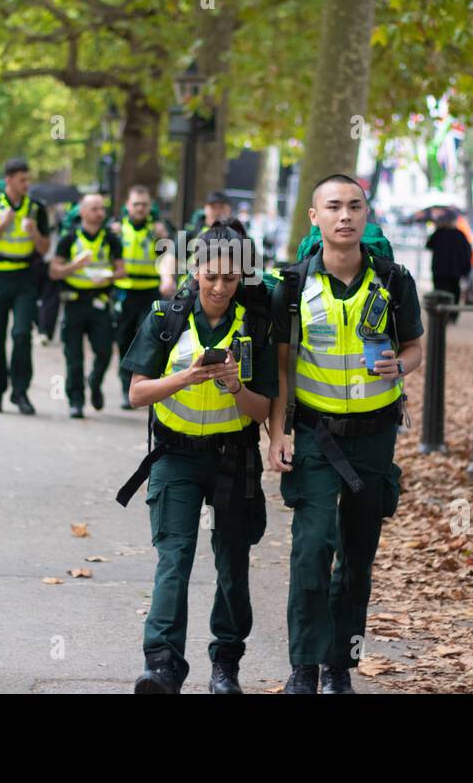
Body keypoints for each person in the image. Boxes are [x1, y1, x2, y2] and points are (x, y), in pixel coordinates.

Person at [267, 174, 424, 694]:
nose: (345, 216)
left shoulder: (394, 281)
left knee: (357, 555)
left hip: (375, 436)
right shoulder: (292, 286)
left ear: (366, 214)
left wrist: (398, 369)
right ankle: (303, 668)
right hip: (314, 433)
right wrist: (277, 433)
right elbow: (282, 367)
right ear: (314, 217)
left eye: (355, 207)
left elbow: (415, 349)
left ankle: (339, 667)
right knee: (312, 549)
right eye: (333, 207)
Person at [118, 218, 275, 693]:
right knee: (175, 556)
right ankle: (162, 665)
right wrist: (184, 378)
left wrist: (235, 387)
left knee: (233, 561)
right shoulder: (166, 317)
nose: (221, 287)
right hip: (176, 456)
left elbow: (263, 409)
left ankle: (226, 665)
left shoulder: (255, 324)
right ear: (195, 269)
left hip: (235, 458)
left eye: (231, 278)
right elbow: (137, 393)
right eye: (212, 276)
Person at [0, 157, 51, 415]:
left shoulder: (36, 209)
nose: (27, 184)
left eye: (28, 179)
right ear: (9, 180)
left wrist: (34, 234)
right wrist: (2, 225)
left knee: (21, 334)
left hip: (24, 279)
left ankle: (20, 393)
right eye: (22, 180)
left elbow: (45, 248)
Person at [51, 194, 125, 418]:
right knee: (73, 355)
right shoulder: (69, 238)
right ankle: (76, 401)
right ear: (83, 212)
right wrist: (75, 265)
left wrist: (109, 277)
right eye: (94, 208)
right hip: (74, 302)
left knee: (103, 351)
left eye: (102, 209)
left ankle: (95, 381)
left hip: (100, 303)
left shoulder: (111, 239)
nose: (99, 213)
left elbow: (122, 270)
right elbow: (54, 271)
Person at [112, 185, 167, 410]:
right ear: (128, 206)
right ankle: (127, 387)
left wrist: (164, 239)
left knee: (147, 338)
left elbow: (171, 257)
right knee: (124, 339)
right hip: (124, 293)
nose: (140, 208)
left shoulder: (158, 230)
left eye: (144, 204)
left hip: (150, 292)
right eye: (136, 204)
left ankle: (146, 385)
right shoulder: (116, 229)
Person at [425, 212, 472, 324]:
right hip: (454, 272)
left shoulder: (438, 233)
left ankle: (439, 316)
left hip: (439, 271)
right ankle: (452, 316)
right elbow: (467, 254)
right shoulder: (460, 235)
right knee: (454, 293)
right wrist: (466, 271)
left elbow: (428, 245)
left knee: (439, 292)